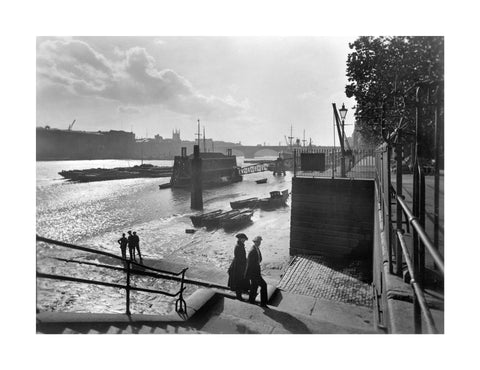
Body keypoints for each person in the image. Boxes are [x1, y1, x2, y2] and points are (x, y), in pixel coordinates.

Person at [245, 236, 268, 307]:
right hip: (254, 273)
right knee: (264, 285)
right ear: (255, 242)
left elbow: (259, 259)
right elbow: (249, 264)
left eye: (260, 241)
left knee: (254, 287)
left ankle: (251, 301)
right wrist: (247, 275)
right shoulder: (252, 251)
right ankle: (263, 304)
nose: (259, 243)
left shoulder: (256, 249)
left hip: (256, 272)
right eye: (258, 242)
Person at [227, 233, 249, 300]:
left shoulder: (240, 245)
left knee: (240, 280)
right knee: (238, 281)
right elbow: (240, 259)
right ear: (240, 239)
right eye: (243, 239)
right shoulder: (239, 246)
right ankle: (239, 297)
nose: (244, 240)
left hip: (238, 264)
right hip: (238, 266)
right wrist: (245, 264)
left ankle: (242, 292)